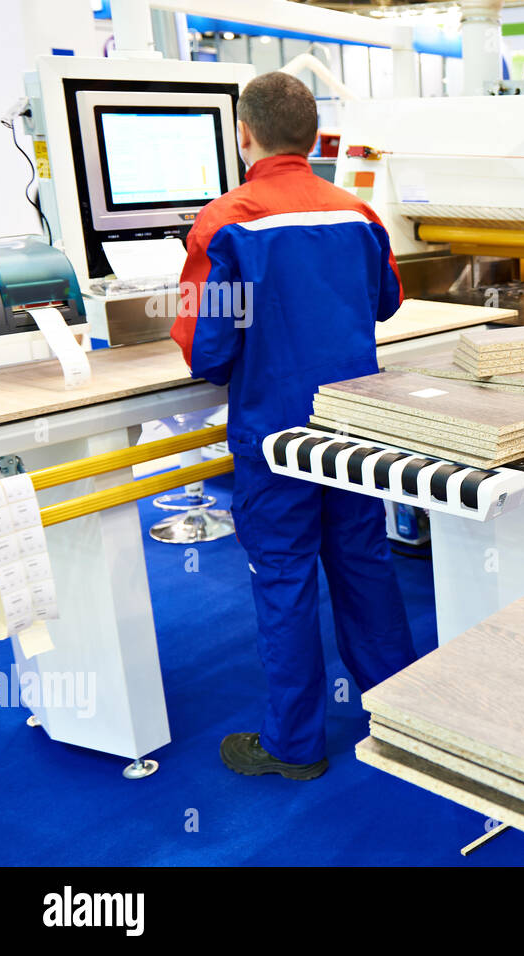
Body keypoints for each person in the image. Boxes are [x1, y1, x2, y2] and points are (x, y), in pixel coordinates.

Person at [171, 72, 419, 781]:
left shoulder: (225, 222)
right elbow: (385, 304)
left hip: (275, 434)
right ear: (315, 138)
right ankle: (401, 716)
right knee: (363, 564)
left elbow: (208, 350)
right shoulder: (356, 213)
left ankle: (295, 744)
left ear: (244, 134)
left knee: (283, 578)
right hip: (350, 428)